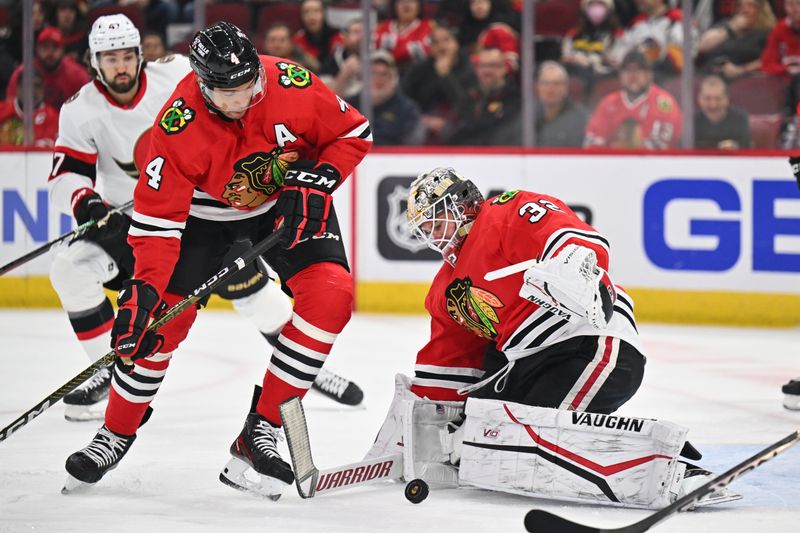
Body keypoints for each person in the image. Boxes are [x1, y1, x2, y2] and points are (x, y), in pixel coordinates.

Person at [62, 21, 372, 499]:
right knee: (157, 325)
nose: (241, 99)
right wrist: (143, 289)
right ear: (202, 85)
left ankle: (259, 431)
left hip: (282, 203)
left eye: (248, 85)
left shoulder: (290, 81)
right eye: (227, 93)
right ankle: (115, 432)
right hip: (202, 219)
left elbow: (354, 131)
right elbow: (160, 222)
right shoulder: (177, 124)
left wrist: (320, 178)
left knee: (332, 296)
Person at [364, 167, 740, 509]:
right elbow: (447, 368)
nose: (433, 235)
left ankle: (672, 469)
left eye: (436, 220)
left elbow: (576, 242)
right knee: (484, 440)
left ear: (462, 203)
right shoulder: (445, 290)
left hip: (591, 344)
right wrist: (414, 434)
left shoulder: (507, 211)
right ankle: (631, 451)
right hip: (527, 362)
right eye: (425, 230)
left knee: (529, 438)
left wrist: (571, 274)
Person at [585, 50, 683, 149]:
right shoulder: (608, 103)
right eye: (627, 70)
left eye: (639, 70)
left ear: (649, 75)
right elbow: (593, 143)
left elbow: (663, 148)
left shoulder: (664, 103)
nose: (633, 75)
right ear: (620, 75)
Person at [401, 26, 476, 143]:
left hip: (459, 125)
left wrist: (445, 76)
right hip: (423, 123)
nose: (441, 46)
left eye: (446, 40)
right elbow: (404, 99)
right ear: (430, 48)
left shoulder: (469, 70)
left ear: (456, 44)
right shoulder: (419, 69)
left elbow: (465, 107)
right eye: (435, 42)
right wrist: (423, 119)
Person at [349, 50, 424, 145]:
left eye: (384, 74)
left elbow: (412, 145)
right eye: (374, 73)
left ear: (393, 78)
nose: (379, 79)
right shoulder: (350, 106)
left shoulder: (408, 110)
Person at [5, 26, 89, 110]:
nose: (50, 53)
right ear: (37, 49)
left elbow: (88, 107)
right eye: (45, 47)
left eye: (55, 47)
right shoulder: (23, 74)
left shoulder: (77, 75)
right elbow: (11, 107)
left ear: (63, 50)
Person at [450, 47, 521, 146]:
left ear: (504, 68)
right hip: (465, 153)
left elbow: (498, 128)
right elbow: (456, 125)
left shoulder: (513, 98)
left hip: (499, 154)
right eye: (483, 66)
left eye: (493, 65)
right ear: (477, 69)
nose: (487, 71)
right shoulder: (469, 97)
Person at [697, 0, 775, 79]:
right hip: (709, 75)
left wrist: (741, 70)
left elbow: (771, 60)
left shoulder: (766, 32)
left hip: (744, 80)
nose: (744, 9)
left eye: (750, 5)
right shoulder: (726, 25)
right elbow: (702, 46)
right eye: (740, 5)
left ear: (761, 10)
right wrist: (731, 29)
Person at [561, 0, 624, 87]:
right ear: (584, 8)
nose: (596, 8)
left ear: (609, 8)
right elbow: (565, 57)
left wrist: (596, 61)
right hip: (576, 76)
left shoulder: (617, 35)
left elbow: (617, 61)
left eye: (600, 3)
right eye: (592, 4)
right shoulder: (573, 34)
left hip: (603, 78)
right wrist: (576, 59)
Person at [535, 61, 589, 147]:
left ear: (565, 88)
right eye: (545, 83)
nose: (550, 88)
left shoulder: (579, 117)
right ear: (538, 87)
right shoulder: (527, 115)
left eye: (556, 84)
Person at [0, 68, 59, 147]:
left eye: (37, 86)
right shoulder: (2, 109)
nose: (32, 91)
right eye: (27, 85)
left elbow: (48, 150)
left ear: (43, 88)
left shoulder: (53, 117)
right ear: (18, 88)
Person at [373, 0, 434, 73]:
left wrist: (393, 47)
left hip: (417, 75)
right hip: (384, 75)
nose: (406, 4)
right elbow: (373, 45)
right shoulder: (382, 26)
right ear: (394, 6)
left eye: (411, 1)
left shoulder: (429, 27)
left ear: (419, 5)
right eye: (401, 1)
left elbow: (424, 50)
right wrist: (407, 47)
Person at [694, 74, 751, 149]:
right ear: (699, 99)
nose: (713, 105)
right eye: (707, 98)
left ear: (727, 98)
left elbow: (745, 149)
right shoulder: (691, 122)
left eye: (718, 98)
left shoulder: (739, 119)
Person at [318, 18, 364, 101]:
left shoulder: (379, 59)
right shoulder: (331, 62)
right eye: (356, 32)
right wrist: (345, 74)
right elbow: (326, 98)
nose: (361, 37)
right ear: (345, 37)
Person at [293, 0, 343, 67]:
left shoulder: (338, 36)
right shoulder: (297, 40)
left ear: (323, 14)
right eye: (306, 12)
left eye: (316, 11)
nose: (311, 16)